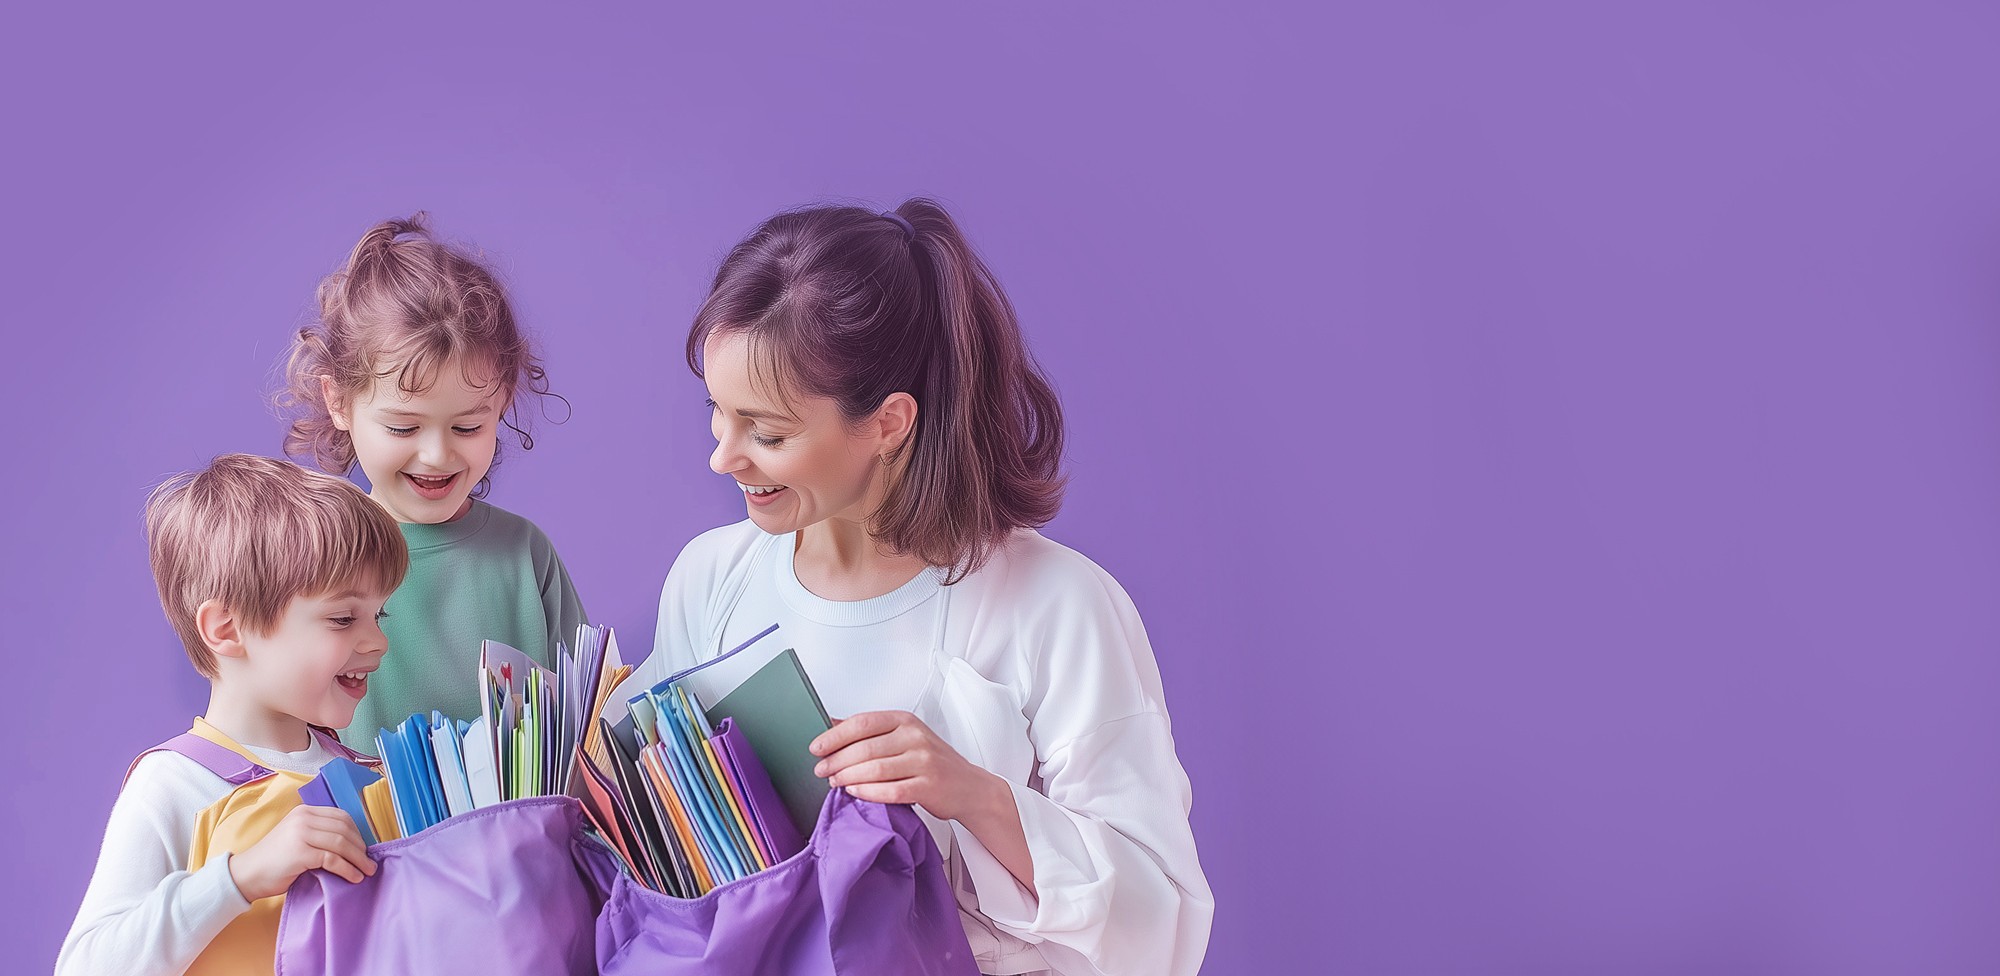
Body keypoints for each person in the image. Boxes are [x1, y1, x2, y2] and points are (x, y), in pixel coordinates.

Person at [642, 199, 1213, 975]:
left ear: (888, 422)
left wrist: (971, 793)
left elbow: (1163, 928)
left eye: (767, 433)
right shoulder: (711, 578)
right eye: (717, 412)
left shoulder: (1058, 605)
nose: (724, 457)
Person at [56, 455, 405, 975]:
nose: (378, 642)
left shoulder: (376, 776)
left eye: (379, 615)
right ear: (226, 628)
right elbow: (85, 967)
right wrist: (239, 878)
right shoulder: (175, 783)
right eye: (341, 617)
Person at [280, 214, 587, 742]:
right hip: (369, 826)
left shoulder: (525, 554)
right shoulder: (310, 557)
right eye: (403, 426)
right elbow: (273, 731)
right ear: (339, 402)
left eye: (468, 425)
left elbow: (593, 719)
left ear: (502, 403)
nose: (437, 454)